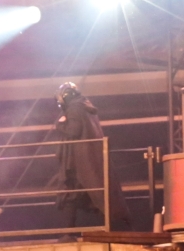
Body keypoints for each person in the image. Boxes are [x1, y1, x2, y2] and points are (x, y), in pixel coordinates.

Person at [54, 83, 131, 229]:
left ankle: (67, 233)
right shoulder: (85, 107)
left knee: (71, 194)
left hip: (78, 161)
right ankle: (120, 227)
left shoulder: (74, 108)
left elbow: (73, 130)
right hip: (89, 159)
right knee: (91, 194)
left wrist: (60, 124)